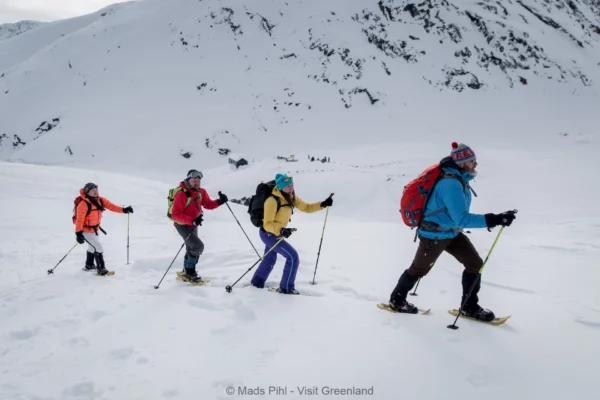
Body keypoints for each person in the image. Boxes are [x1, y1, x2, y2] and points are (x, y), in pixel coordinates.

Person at [388, 143, 517, 320]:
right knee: (418, 270)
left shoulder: (459, 179)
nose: (475, 164)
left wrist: (495, 218)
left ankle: (469, 307)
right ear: (462, 163)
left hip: (451, 232)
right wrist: (494, 219)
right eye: (472, 161)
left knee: (475, 264)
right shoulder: (451, 184)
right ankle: (396, 300)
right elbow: (462, 218)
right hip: (433, 235)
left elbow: (456, 218)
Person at [250, 173, 333, 294]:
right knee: (293, 257)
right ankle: (286, 288)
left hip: (275, 233)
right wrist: (281, 230)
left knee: (270, 259)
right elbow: (267, 224)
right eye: (287, 186)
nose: (291, 188)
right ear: (280, 187)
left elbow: (307, 207)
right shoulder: (272, 200)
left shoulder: (291, 197)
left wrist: (323, 204)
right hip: (268, 234)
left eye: (292, 185)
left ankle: (256, 283)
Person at [169, 169, 228, 283]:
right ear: (188, 180)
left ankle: (187, 271)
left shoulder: (201, 192)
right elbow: (175, 214)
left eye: (198, 180)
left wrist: (220, 201)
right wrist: (192, 220)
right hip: (182, 225)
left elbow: (208, 204)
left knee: (191, 247)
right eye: (193, 180)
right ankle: (190, 271)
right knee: (197, 246)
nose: (196, 182)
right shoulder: (181, 193)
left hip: (193, 224)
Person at [75, 182, 133, 275]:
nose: (95, 192)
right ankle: (101, 269)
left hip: (95, 230)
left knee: (92, 247)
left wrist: (124, 210)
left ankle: (89, 265)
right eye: (92, 190)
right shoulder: (83, 204)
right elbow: (79, 220)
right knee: (98, 247)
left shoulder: (100, 200)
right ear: (87, 192)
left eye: (96, 189)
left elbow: (112, 206)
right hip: (85, 231)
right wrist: (78, 233)